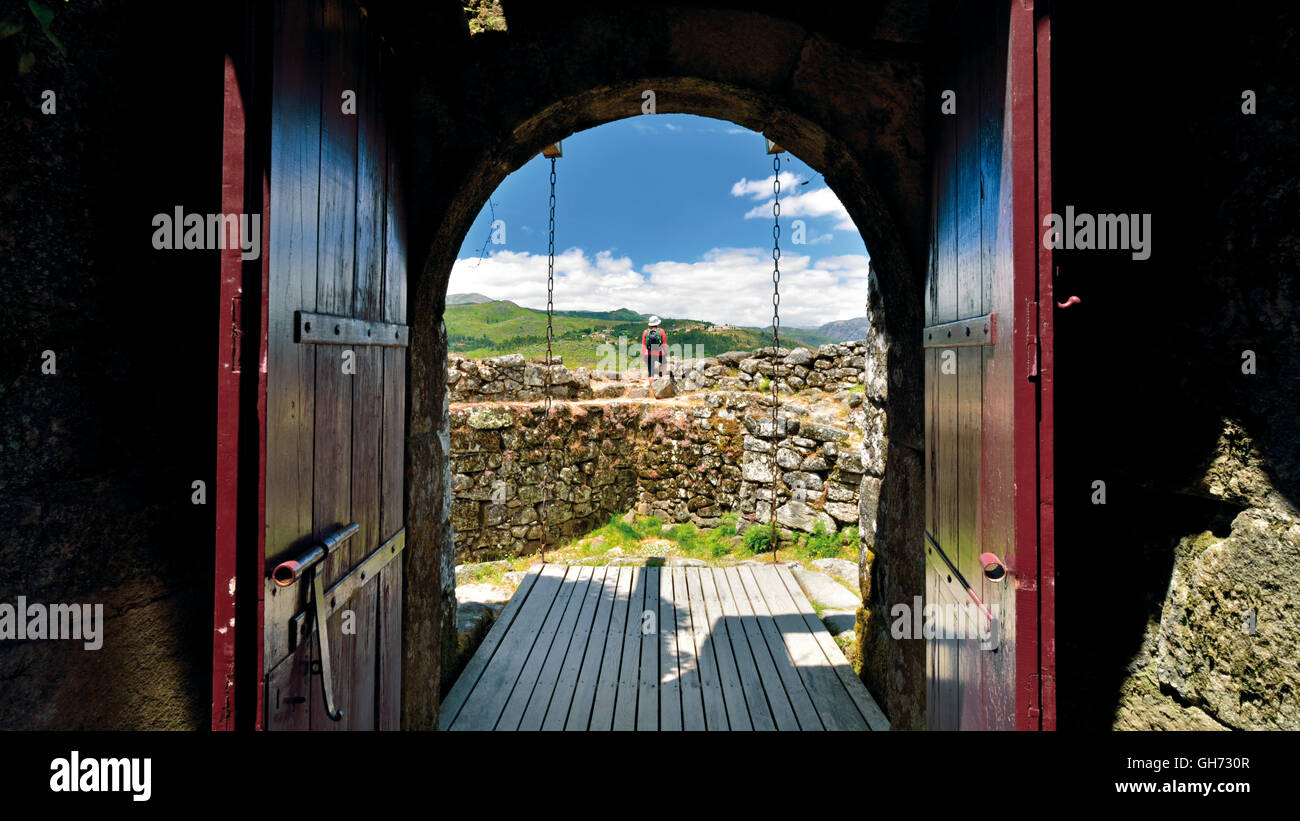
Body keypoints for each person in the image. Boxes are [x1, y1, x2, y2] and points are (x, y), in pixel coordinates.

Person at [641, 316, 668, 388]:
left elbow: (643, 345)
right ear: (657, 324)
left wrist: (643, 356)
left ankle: (652, 390)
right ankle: (663, 384)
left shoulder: (646, 332)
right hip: (660, 354)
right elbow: (665, 344)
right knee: (664, 364)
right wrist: (665, 353)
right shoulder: (661, 331)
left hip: (648, 355)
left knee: (651, 373)